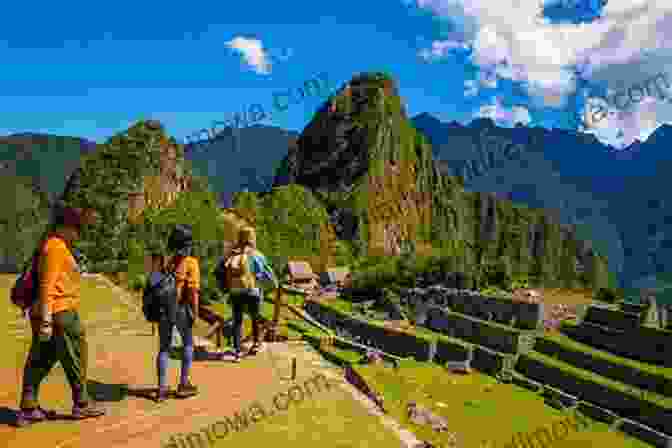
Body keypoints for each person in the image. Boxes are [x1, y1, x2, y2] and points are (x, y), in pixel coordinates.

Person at [16, 203, 105, 427]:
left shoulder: (50, 246)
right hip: (60, 313)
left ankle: (28, 406)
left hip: (47, 314)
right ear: (64, 228)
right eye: (76, 229)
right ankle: (82, 403)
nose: (78, 233)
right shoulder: (56, 248)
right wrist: (47, 320)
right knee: (75, 356)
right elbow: (48, 285)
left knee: (40, 360)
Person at [217, 227, 278, 362]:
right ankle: (256, 344)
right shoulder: (258, 255)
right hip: (252, 291)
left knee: (237, 320)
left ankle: (237, 351)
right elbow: (269, 277)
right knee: (255, 317)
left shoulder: (232, 255)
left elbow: (220, 269)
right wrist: (269, 286)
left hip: (235, 291)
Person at [155, 224, 200, 402]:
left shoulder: (165, 260)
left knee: (163, 348)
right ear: (188, 244)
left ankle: (161, 388)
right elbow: (193, 292)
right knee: (188, 344)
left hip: (164, 310)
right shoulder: (191, 263)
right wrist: (194, 314)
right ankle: (183, 384)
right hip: (181, 308)